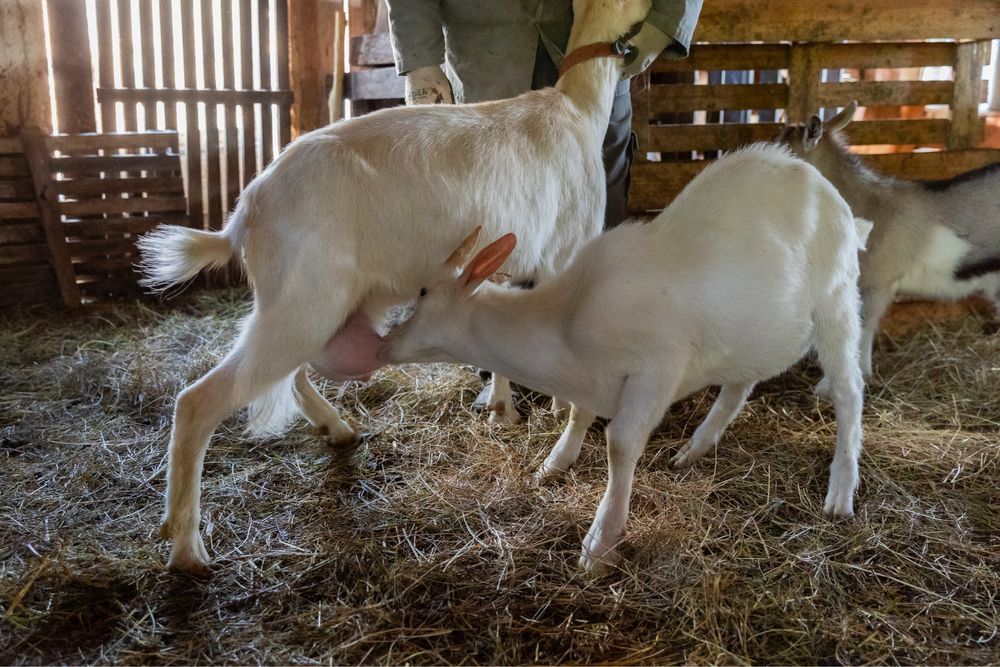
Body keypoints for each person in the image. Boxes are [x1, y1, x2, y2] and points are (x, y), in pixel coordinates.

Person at [385, 0, 703, 228]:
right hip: (483, 64)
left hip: (600, 45)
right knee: (492, 220)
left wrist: (667, 21)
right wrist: (420, 60)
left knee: (601, 212)